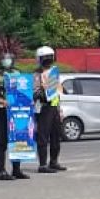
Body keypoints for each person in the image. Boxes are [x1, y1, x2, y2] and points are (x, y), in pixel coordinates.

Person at [0, 51, 29, 180]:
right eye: (3, 59)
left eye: (8, 59)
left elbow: (24, 89)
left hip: (17, 111)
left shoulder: (18, 73)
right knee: (2, 141)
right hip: (2, 110)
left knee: (18, 140)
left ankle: (16, 169)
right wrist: (1, 101)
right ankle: (1, 171)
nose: (6, 61)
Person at [33, 45, 66, 173]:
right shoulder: (37, 74)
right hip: (43, 107)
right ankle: (42, 164)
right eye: (45, 57)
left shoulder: (54, 72)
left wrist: (59, 109)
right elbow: (35, 92)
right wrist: (42, 90)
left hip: (54, 107)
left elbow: (57, 92)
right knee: (43, 136)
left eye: (50, 57)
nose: (48, 60)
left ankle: (54, 161)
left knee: (56, 136)